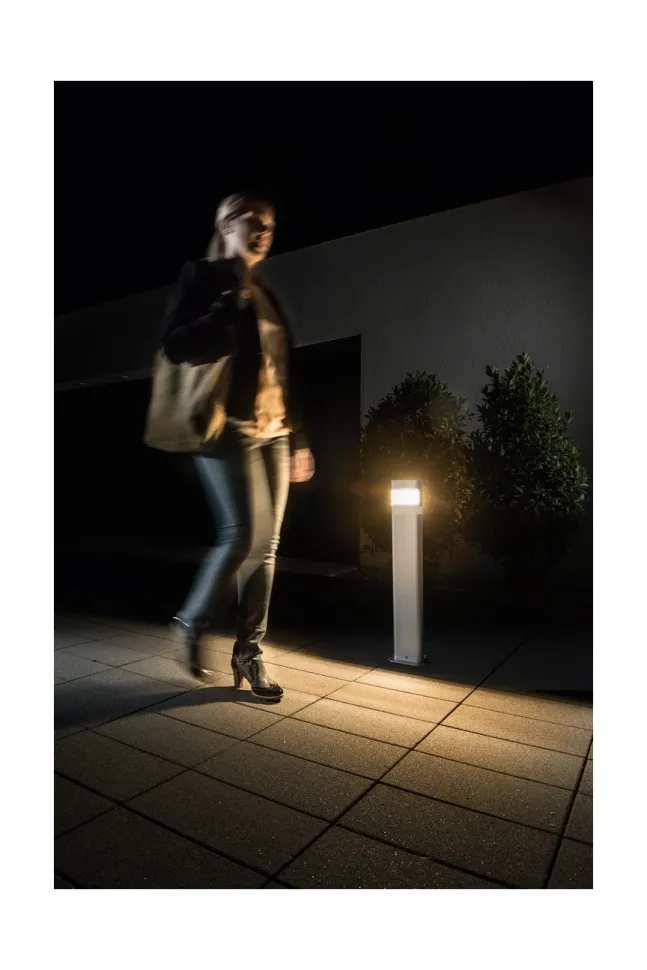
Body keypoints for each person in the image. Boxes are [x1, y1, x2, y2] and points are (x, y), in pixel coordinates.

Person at [160, 193, 314, 699]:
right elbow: (175, 344)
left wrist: (299, 438)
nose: (265, 230)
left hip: (276, 432)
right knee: (241, 534)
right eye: (255, 221)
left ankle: (249, 652)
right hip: (226, 427)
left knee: (266, 546)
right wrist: (226, 309)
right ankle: (191, 621)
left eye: (271, 224)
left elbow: (283, 371)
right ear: (226, 224)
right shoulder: (203, 277)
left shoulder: (265, 293)